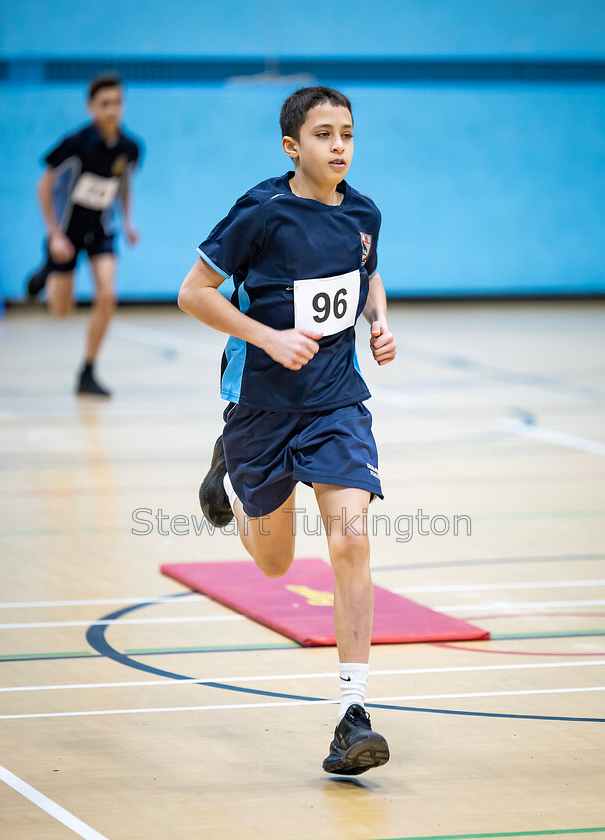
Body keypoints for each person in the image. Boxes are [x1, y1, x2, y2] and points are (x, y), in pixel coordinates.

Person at [178, 86, 396, 775]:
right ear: (291, 147)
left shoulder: (363, 212)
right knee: (274, 561)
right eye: (325, 134)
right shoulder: (260, 214)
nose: (339, 146)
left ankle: (352, 713)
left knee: (351, 540)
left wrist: (377, 321)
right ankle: (234, 485)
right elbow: (193, 293)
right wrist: (267, 338)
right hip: (261, 405)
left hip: (335, 402)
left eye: (348, 134)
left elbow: (367, 275)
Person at [26, 73, 141, 397]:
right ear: (91, 107)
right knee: (61, 310)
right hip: (66, 233)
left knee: (107, 295)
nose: (112, 110)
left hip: (101, 230)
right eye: (104, 104)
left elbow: (124, 183)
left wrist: (129, 223)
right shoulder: (75, 144)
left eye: (117, 103)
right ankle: (46, 270)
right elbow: (44, 186)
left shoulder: (130, 148)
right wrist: (53, 234)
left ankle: (88, 371)